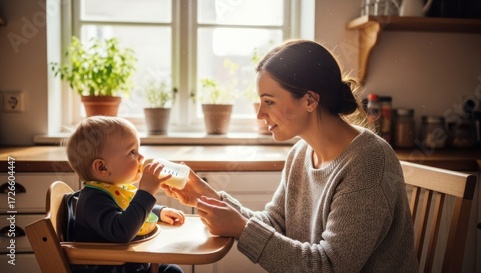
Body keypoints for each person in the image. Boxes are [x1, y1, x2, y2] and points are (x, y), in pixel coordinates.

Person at [163, 39, 418, 272]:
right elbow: (275, 223)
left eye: (269, 101)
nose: (260, 114)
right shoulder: (301, 153)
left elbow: (329, 267)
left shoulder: (368, 162)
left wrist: (240, 228)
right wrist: (208, 197)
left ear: (309, 100)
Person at [65, 116, 185, 273]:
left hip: (134, 264)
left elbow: (127, 208)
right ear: (102, 167)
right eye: (132, 152)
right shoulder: (93, 201)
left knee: (172, 270)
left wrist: (159, 211)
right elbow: (121, 231)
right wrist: (146, 192)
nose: (141, 158)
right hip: (115, 269)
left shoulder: (113, 189)